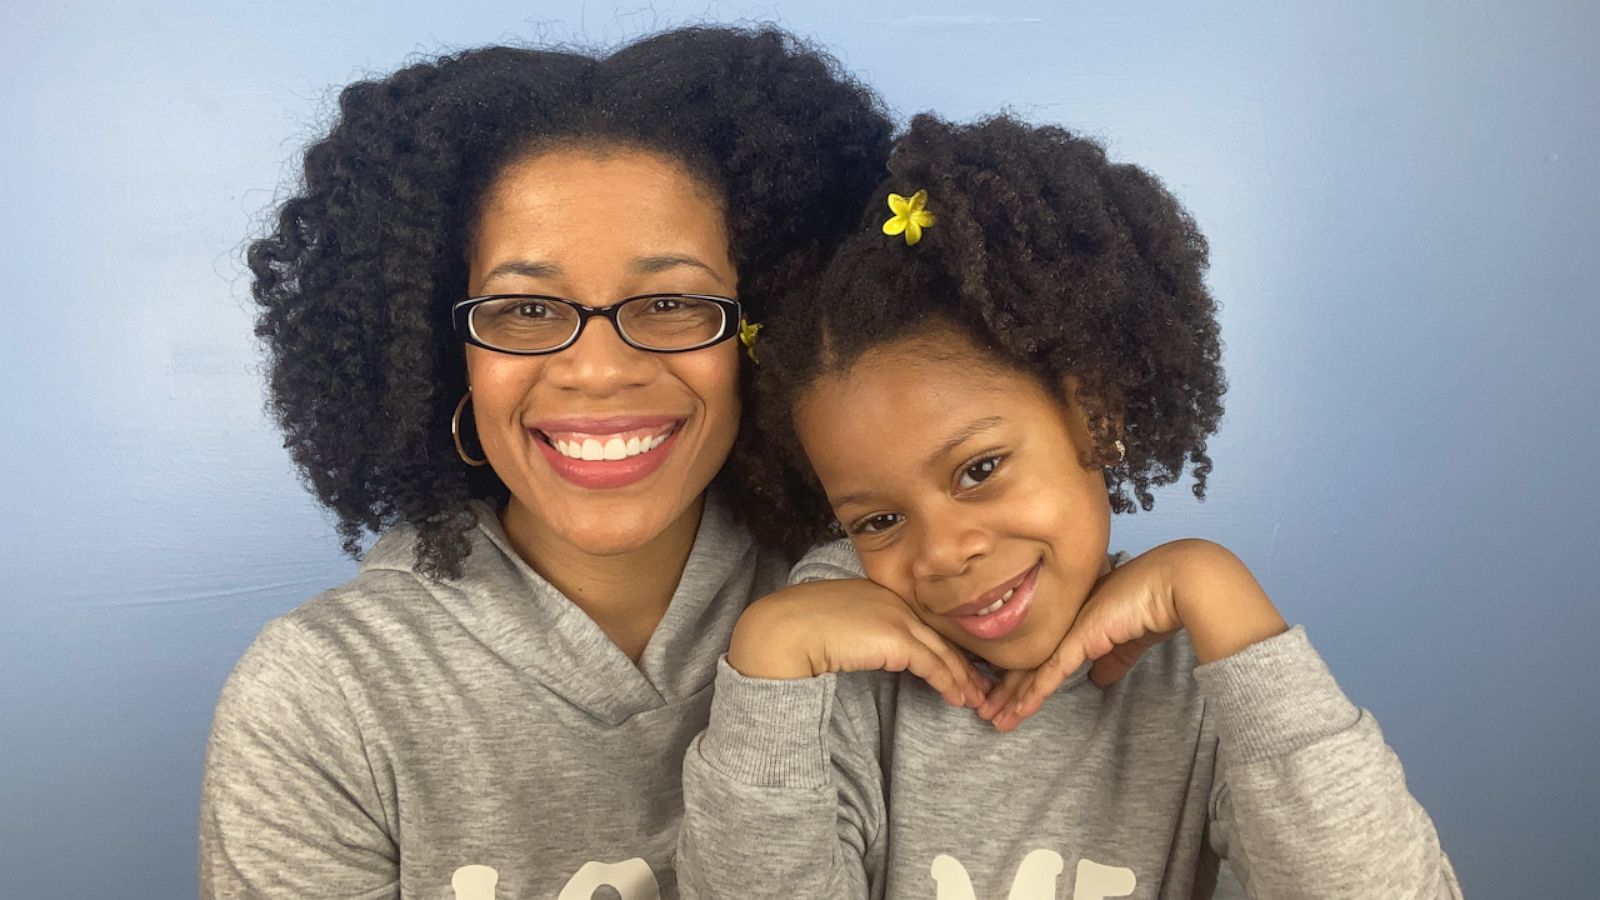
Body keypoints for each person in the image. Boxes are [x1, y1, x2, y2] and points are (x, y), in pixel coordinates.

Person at [676, 114, 1463, 898]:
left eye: (979, 469)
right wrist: (770, 656)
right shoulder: (838, 670)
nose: (944, 551)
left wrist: (1218, 588)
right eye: (878, 521)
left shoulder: (1204, 675)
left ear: (1097, 413)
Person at [199, 27, 891, 898]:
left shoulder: (876, 603)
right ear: (442, 355)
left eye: (673, 301)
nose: (599, 370)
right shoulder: (320, 697)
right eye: (525, 308)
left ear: (768, 331)